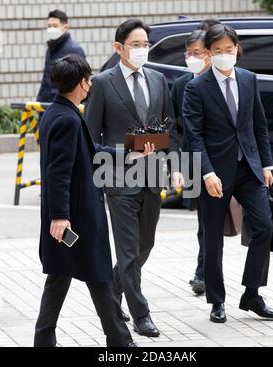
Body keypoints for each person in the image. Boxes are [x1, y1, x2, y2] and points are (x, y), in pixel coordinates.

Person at [34, 54, 155, 347]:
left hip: (71, 217)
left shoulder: (59, 112)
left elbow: (91, 150)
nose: (90, 84)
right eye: (87, 79)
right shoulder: (66, 119)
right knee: (98, 275)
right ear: (80, 82)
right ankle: (118, 339)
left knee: (62, 275)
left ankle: (45, 338)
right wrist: (60, 216)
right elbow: (59, 172)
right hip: (77, 217)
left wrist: (130, 152)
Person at [85, 19, 183, 338]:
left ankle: (110, 296)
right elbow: (90, 139)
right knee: (127, 251)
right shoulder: (102, 82)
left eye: (145, 45)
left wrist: (174, 161)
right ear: (119, 48)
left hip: (153, 175)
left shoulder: (157, 79)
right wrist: (126, 152)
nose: (141, 50)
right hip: (118, 178)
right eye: (135, 45)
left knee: (145, 245)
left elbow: (169, 128)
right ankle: (141, 315)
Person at [183, 24, 273, 323]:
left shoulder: (249, 80)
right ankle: (216, 300)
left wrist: (266, 164)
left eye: (229, 49)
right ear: (209, 54)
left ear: (237, 48)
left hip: (248, 168)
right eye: (218, 51)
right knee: (213, 239)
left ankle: (252, 294)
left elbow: (258, 126)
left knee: (264, 226)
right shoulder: (196, 87)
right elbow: (193, 136)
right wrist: (207, 173)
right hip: (215, 174)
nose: (225, 55)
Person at [171, 30, 211, 295]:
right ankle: (203, 271)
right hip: (192, 161)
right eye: (188, 53)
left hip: (221, 160)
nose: (191, 58)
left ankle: (204, 272)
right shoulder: (180, 85)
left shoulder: (222, 82)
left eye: (197, 53)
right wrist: (176, 166)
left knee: (212, 221)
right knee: (204, 220)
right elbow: (173, 128)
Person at [37, 10, 86, 103]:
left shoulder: (75, 49)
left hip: (63, 104)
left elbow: (79, 83)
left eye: (55, 26)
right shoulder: (51, 48)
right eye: (49, 26)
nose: (51, 29)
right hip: (47, 103)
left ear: (65, 27)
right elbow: (46, 79)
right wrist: (39, 100)